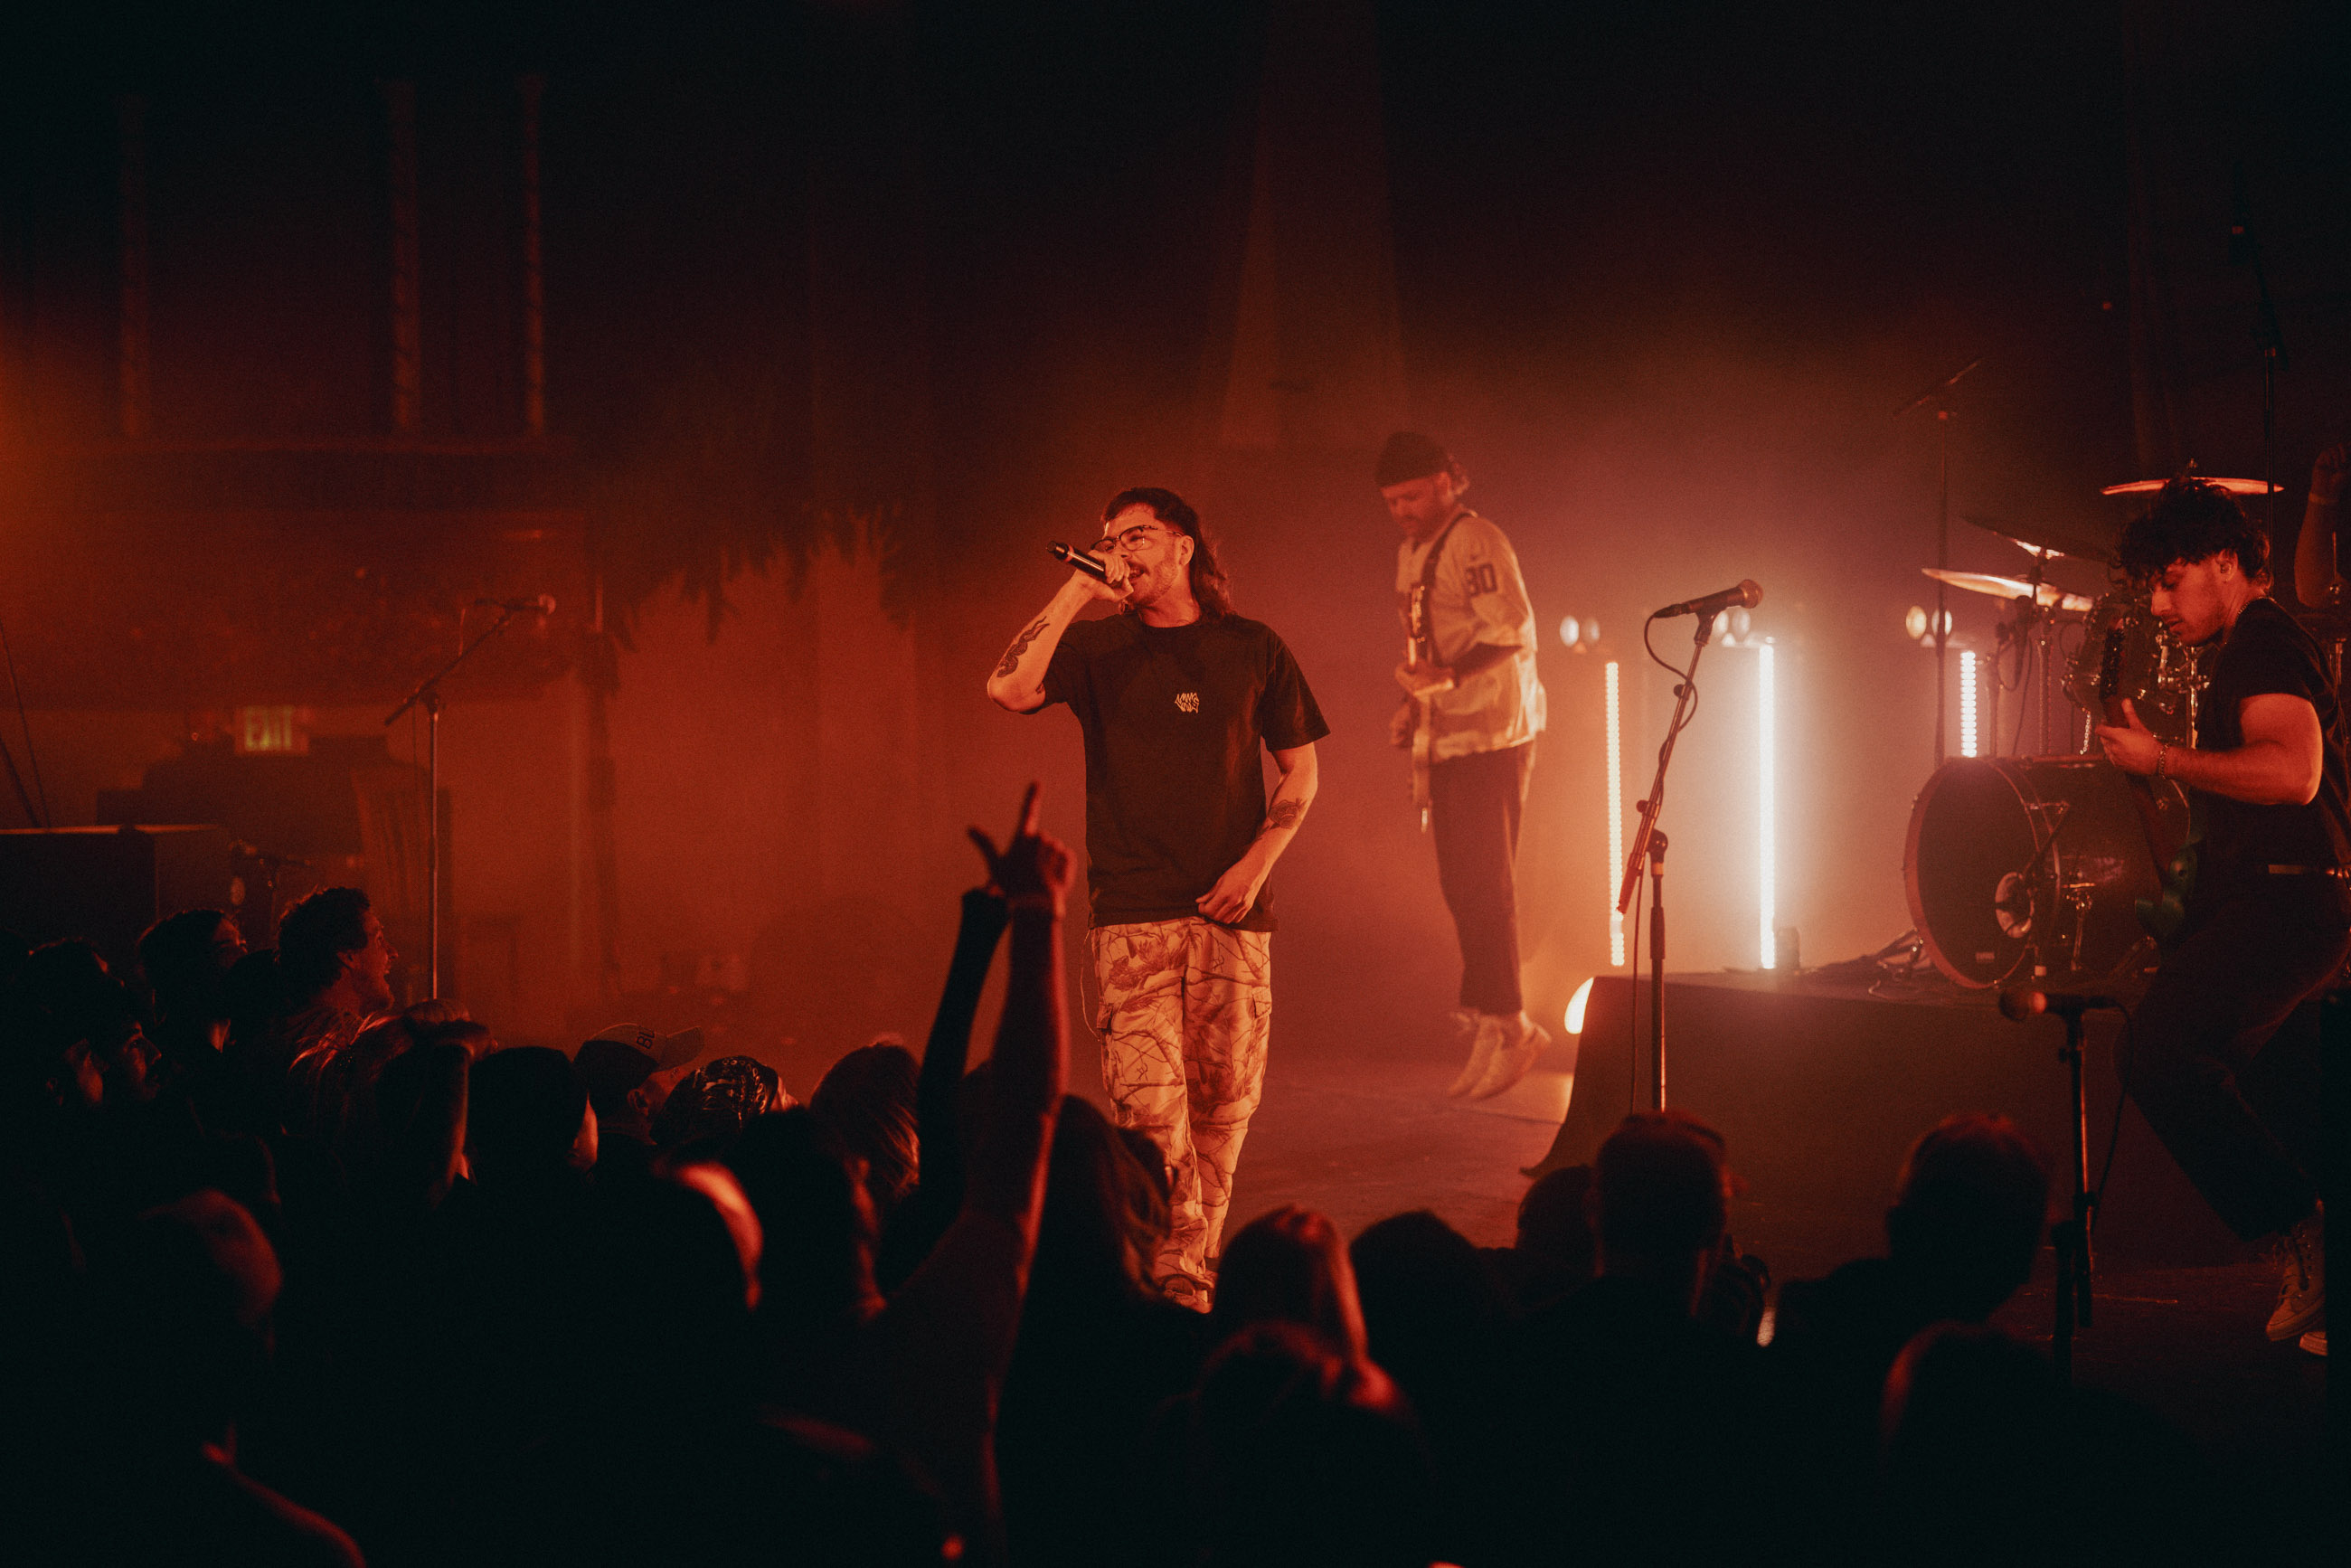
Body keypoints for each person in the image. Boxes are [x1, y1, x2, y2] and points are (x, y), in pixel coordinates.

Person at [985, 486, 1327, 1308]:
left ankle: (1190, 1279)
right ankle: (1172, 1283)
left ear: (1182, 547)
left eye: (1136, 534)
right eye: (1109, 537)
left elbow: (1302, 771)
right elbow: (1008, 689)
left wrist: (1257, 866)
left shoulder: (1253, 647)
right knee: (1150, 1122)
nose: (1121, 548)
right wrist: (1079, 587)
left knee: (1222, 1119)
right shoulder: (1099, 647)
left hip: (1234, 919)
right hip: (1133, 921)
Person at [2095, 476, 2348, 1347]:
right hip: (2284, 898)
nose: (2159, 603)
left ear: (2227, 562)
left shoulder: (2265, 646)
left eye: (2171, 580)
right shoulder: (2249, 650)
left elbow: (2293, 773)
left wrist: (2164, 756)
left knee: (2160, 1053)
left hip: (2291, 905)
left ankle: (2301, 1237)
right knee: (2288, 1104)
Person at [1376, 432, 1551, 1100]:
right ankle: (1489, 1013)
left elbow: (1511, 631)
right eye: (1393, 501)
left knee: (1487, 879)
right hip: (1448, 731)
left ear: (1450, 480)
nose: (1404, 510)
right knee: (1459, 884)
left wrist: (1446, 679)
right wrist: (1411, 702)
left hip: (1493, 732)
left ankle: (1510, 1021)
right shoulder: (1412, 550)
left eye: (1414, 495)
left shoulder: (1478, 542)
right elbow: (1426, 641)